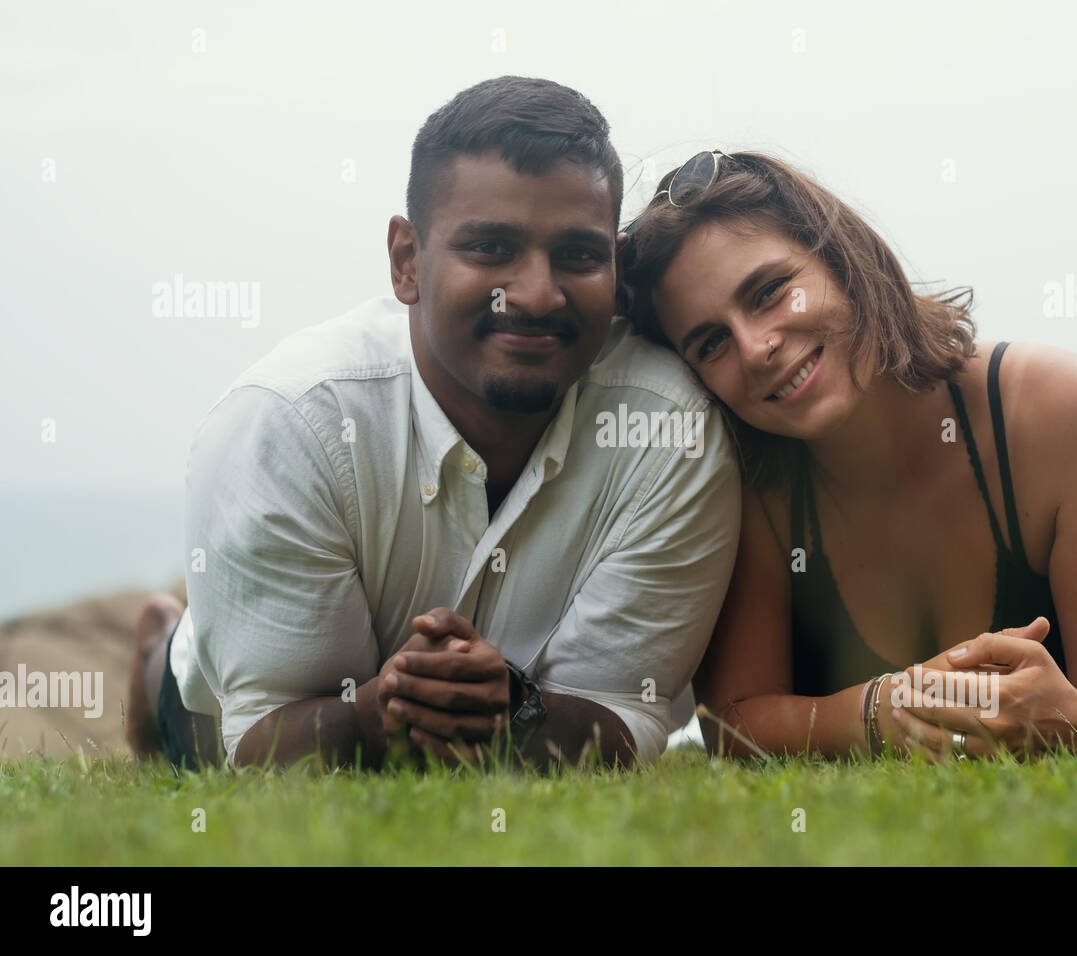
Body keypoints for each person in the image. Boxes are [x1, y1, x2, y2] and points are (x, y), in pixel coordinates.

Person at [125, 78, 741, 771]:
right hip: (242, 702)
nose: (536, 293)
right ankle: (160, 646)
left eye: (578, 255)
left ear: (617, 265)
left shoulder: (671, 429)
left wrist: (515, 707)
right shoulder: (286, 419)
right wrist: (373, 710)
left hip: (518, 692)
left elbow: (624, 719)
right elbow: (261, 740)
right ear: (407, 262)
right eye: (490, 249)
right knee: (179, 710)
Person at [620, 150, 1077, 761]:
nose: (756, 349)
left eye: (770, 291)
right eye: (711, 343)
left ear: (840, 256)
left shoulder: (1065, 412)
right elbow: (732, 726)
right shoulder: (748, 478)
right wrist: (882, 713)